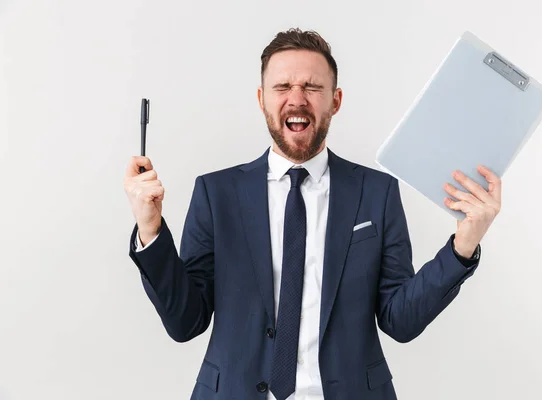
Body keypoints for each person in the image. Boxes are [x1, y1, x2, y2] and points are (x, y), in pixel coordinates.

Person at [123, 28, 502, 400]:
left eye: (312, 87)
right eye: (282, 87)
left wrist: (462, 246)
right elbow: (186, 321)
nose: (297, 99)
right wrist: (150, 228)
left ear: (335, 101)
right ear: (261, 99)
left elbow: (399, 320)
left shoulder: (377, 192)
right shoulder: (217, 193)